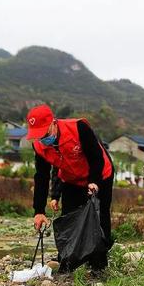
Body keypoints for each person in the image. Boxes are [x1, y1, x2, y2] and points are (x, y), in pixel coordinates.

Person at [26, 104, 115, 273]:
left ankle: (98, 265)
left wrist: (94, 181)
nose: (42, 138)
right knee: (69, 218)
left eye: (44, 133)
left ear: (53, 123)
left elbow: (96, 156)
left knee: (99, 216)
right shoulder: (40, 147)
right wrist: (38, 210)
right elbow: (42, 177)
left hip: (100, 174)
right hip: (71, 179)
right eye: (38, 136)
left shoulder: (78, 128)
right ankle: (68, 260)